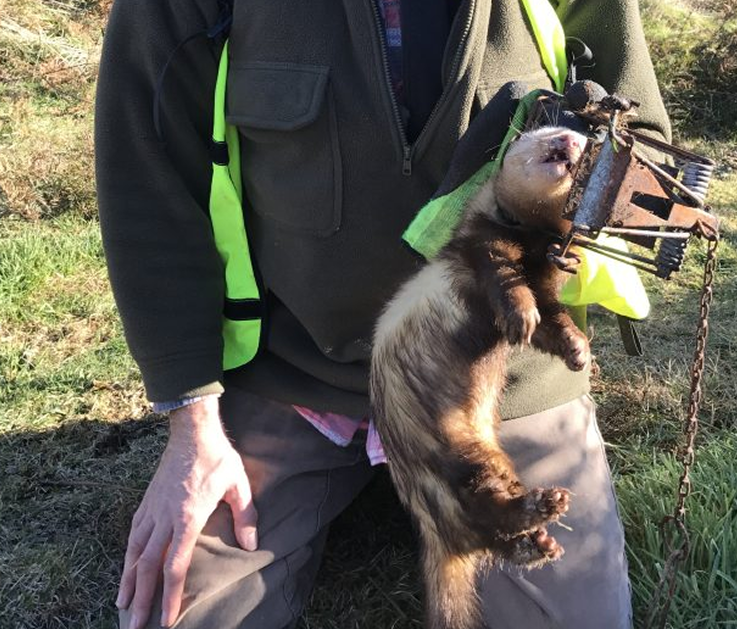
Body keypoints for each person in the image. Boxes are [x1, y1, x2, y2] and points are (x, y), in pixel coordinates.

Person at [95, 1, 671, 628]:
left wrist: (587, 171)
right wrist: (193, 427)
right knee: (176, 616)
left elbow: (648, 155)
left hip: (506, 377)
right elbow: (148, 172)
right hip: (295, 371)